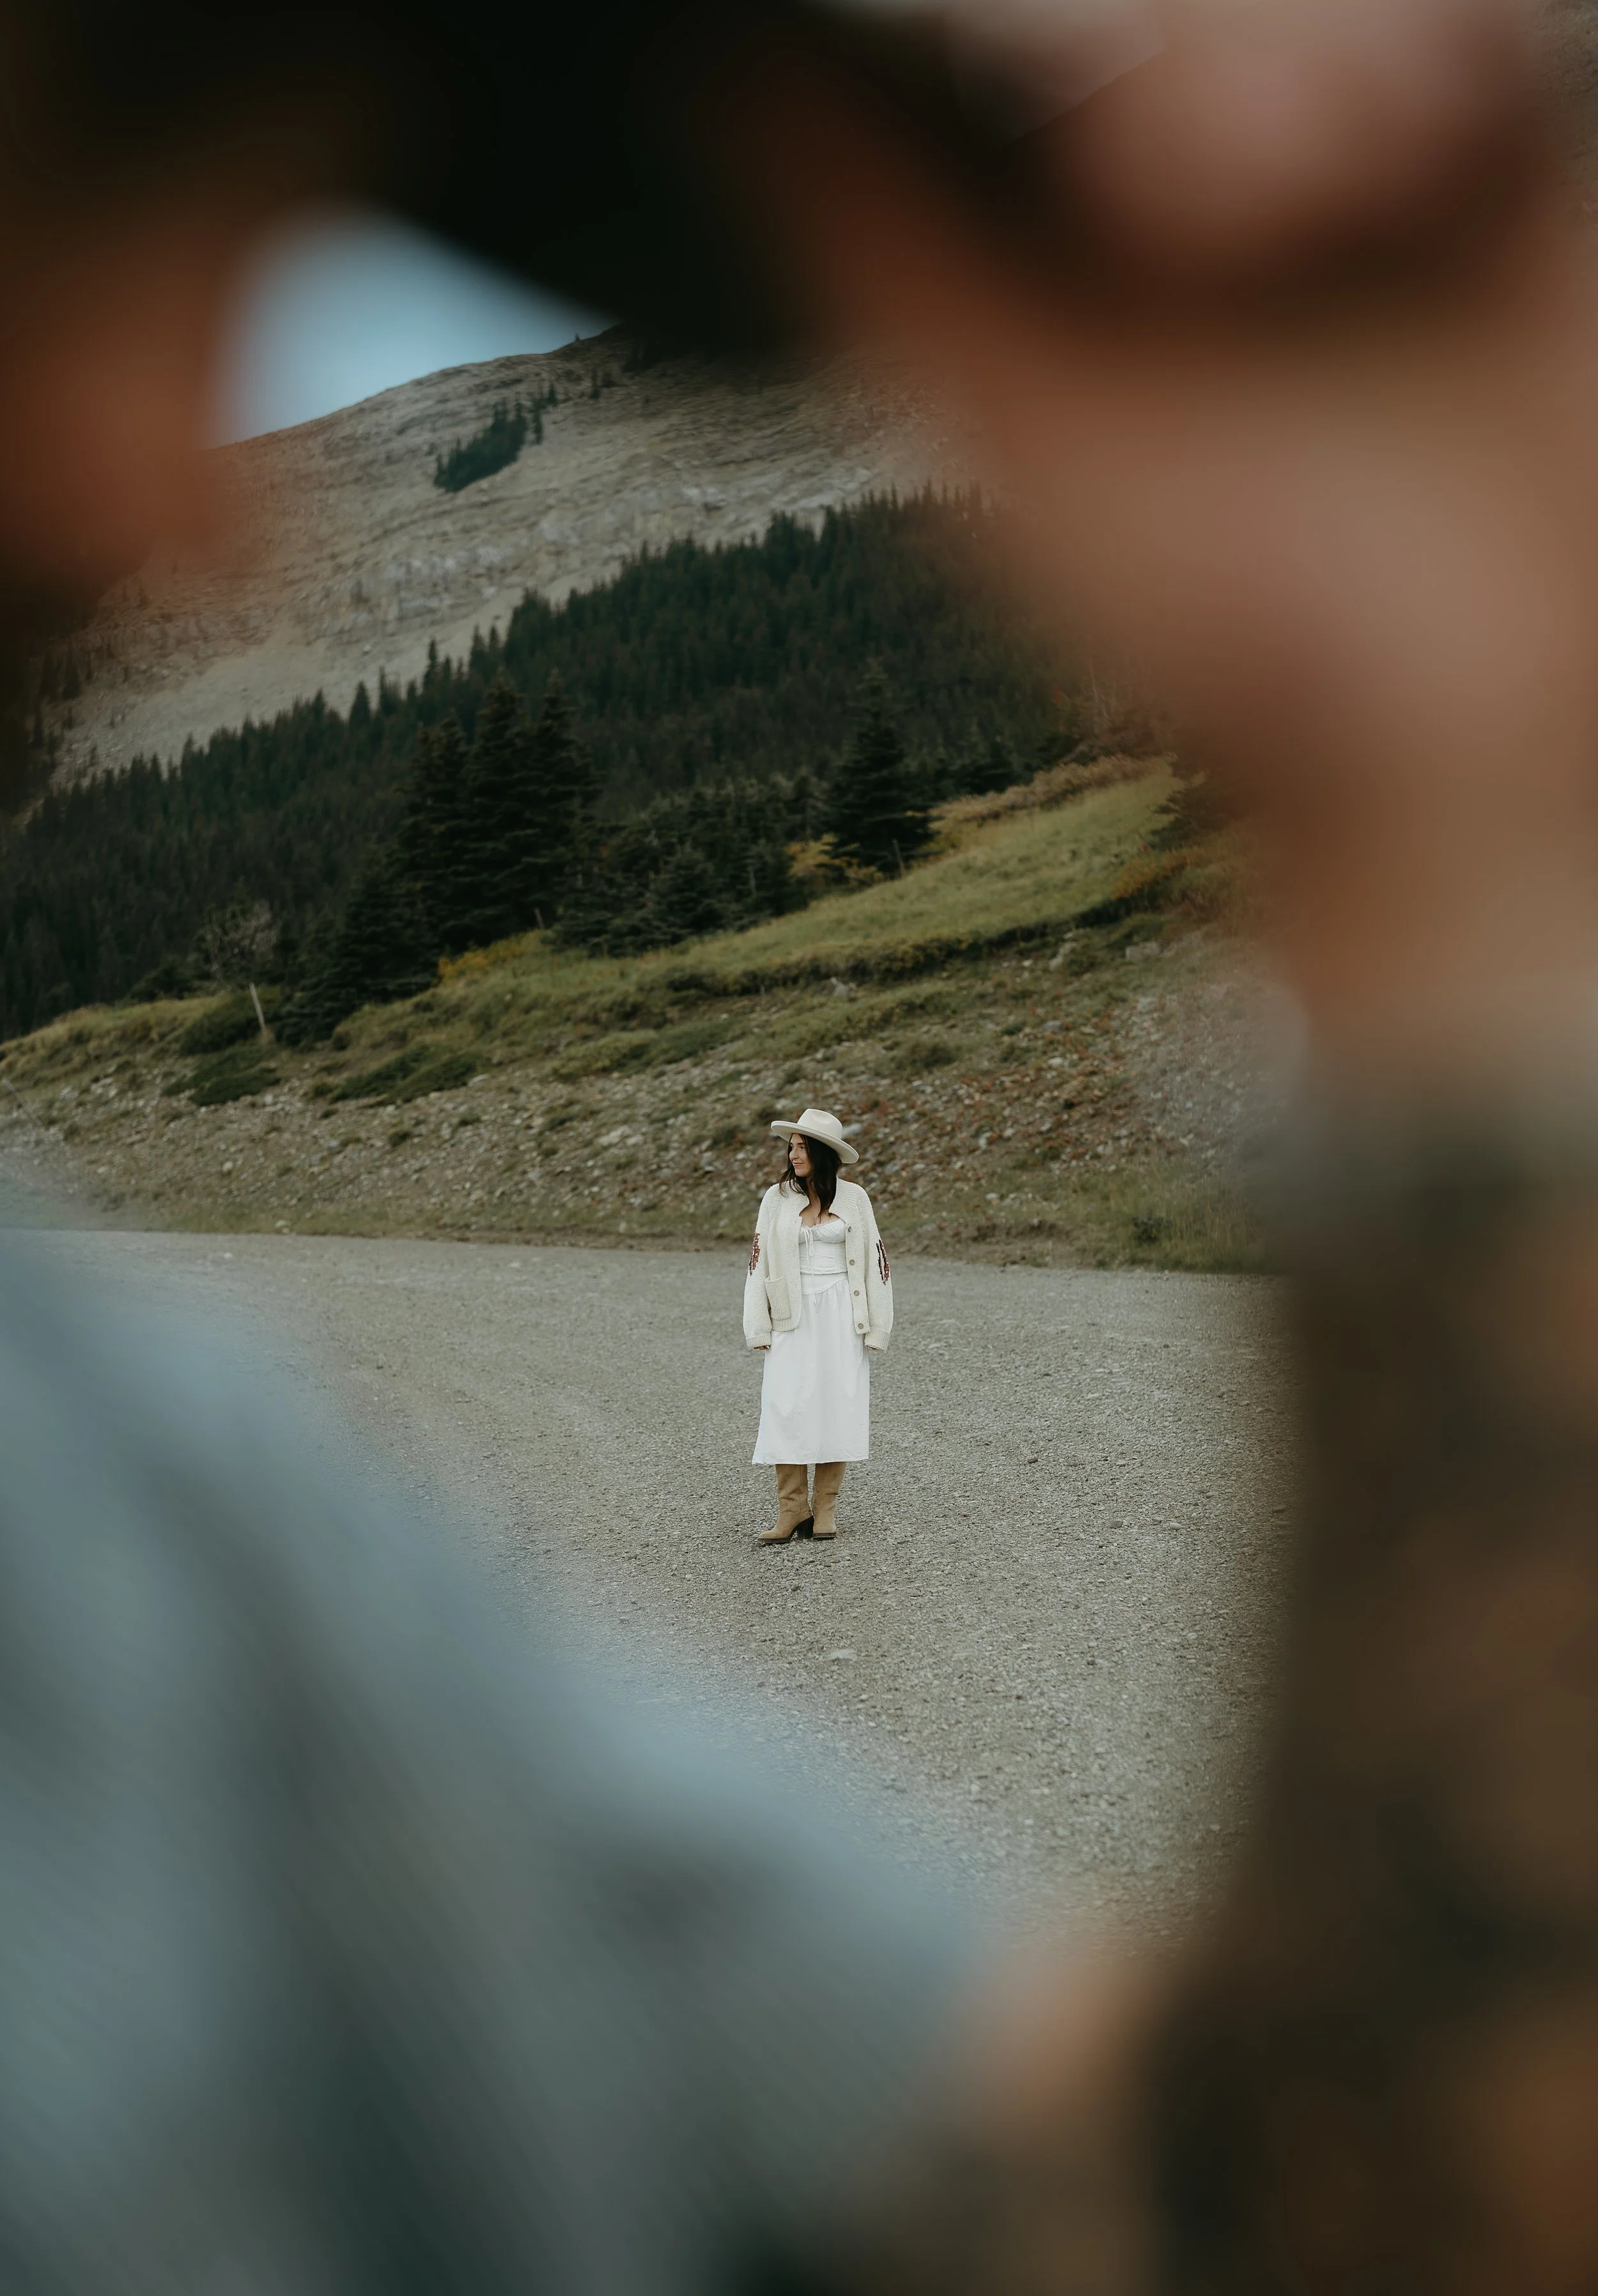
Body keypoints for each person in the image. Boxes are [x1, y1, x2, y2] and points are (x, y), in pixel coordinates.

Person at [745, 1107, 892, 1543]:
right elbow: (757, 1262)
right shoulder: (776, 1198)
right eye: (791, 1146)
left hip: (843, 1315)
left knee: (836, 1404)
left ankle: (824, 1508)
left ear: (823, 1152)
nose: (793, 1153)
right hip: (790, 1313)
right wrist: (757, 1324)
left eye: (802, 1146)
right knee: (785, 1405)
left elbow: (878, 1265)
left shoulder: (855, 1199)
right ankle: (792, 1509)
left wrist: (877, 1326)